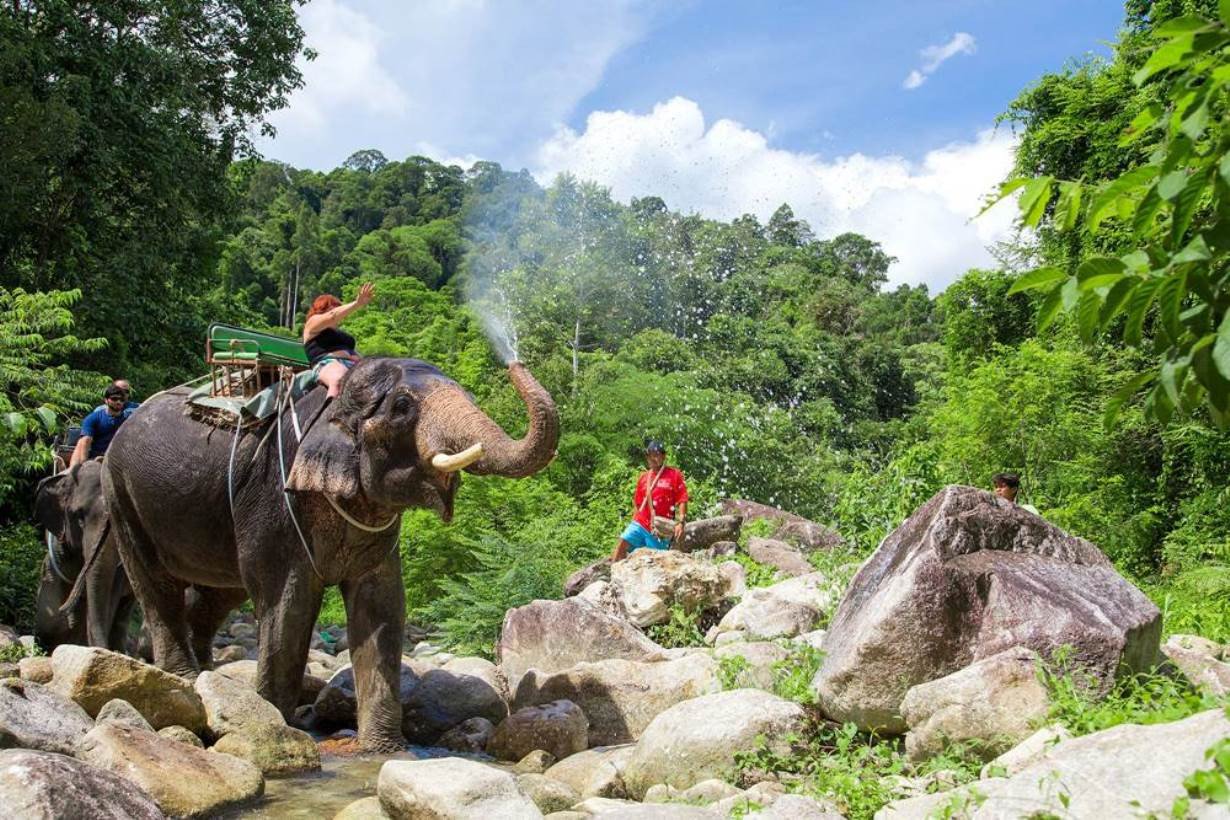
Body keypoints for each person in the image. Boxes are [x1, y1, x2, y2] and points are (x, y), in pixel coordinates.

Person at [612, 440, 688, 561]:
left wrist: (681, 522)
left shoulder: (674, 475)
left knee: (655, 560)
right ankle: (613, 576)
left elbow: (682, 499)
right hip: (641, 523)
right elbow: (637, 504)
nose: (652, 458)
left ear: (663, 456)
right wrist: (633, 522)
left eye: (656, 455)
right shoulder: (644, 477)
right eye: (649, 455)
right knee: (622, 542)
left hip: (659, 528)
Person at [303, 282, 374, 398]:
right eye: (334, 308)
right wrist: (357, 303)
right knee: (338, 380)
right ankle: (331, 415)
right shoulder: (312, 323)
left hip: (355, 365)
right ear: (321, 309)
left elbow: (353, 352)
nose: (340, 312)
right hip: (328, 364)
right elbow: (332, 316)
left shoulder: (341, 334)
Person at [70, 386, 135, 466]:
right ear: (106, 400)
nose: (118, 402)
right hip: (97, 458)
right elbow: (86, 441)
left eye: (121, 400)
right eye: (114, 399)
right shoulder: (93, 418)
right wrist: (84, 465)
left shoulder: (129, 420)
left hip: (120, 459)